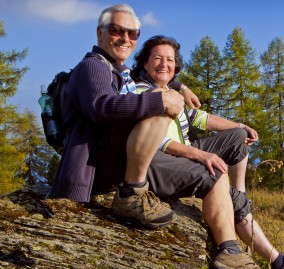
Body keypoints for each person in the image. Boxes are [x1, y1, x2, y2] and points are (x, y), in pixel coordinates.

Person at [48, 4, 260, 268]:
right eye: (117, 30)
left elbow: (153, 76)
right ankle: (132, 194)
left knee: (175, 112)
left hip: (120, 159)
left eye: (132, 33)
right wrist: (162, 103)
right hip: (97, 168)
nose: (125, 38)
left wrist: (178, 86)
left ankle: (233, 244)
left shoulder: (117, 70)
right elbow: (101, 108)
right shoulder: (93, 67)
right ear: (100, 33)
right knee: (204, 161)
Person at [130, 35, 284, 269]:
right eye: (157, 58)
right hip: (163, 160)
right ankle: (265, 258)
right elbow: (157, 141)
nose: (164, 64)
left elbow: (201, 118)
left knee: (239, 138)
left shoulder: (171, 92)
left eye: (169, 60)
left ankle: (243, 199)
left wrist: (240, 127)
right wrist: (199, 155)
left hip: (183, 152)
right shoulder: (142, 92)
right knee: (217, 175)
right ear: (145, 63)